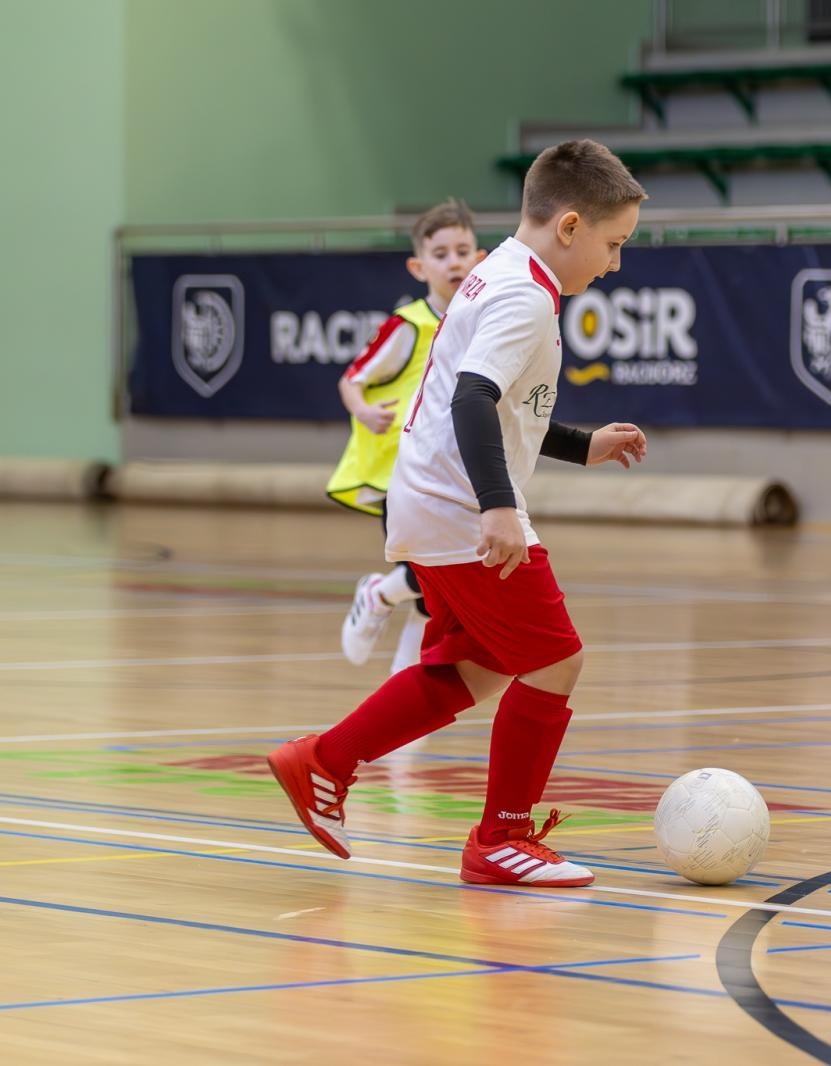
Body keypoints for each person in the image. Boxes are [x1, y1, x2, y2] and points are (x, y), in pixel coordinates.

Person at [270, 140, 648, 887]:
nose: (613, 264)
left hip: (431, 499)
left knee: (476, 667)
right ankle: (501, 839)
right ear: (569, 226)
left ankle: (323, 760)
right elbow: (472, 396)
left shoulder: (498, 273)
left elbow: (489, 403)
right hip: (457, 507)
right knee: (555, 659)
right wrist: (499, 507)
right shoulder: (523, 295)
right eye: (614, 244)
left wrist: (580, 445)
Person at [328, 199, 483, 673]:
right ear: (419, 266)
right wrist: (364, 410)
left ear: (479, 258)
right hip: (402, 471)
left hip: (455, 469)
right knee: (427, 569)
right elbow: (351, 378)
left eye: (462, 250)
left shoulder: (481, 320)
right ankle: (377, 593)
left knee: (437, 592)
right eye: (440, 254)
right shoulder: (408, 326)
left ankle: (406, 684)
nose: (453, 261)